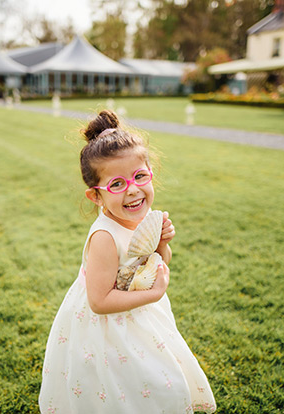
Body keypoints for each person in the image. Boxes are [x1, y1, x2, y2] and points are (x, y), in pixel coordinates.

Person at [39, 110, 216, 413]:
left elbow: (156, 264)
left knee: (158, 380)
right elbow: (99, 300)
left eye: (139, 177)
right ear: (96, 196)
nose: (133, 190)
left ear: (151, 173)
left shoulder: (142, 217)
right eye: (117, 184)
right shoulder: (105, 238)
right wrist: (153, 295)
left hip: (141, 316)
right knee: (120, 387)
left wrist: (161, 245)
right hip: (107, 328)